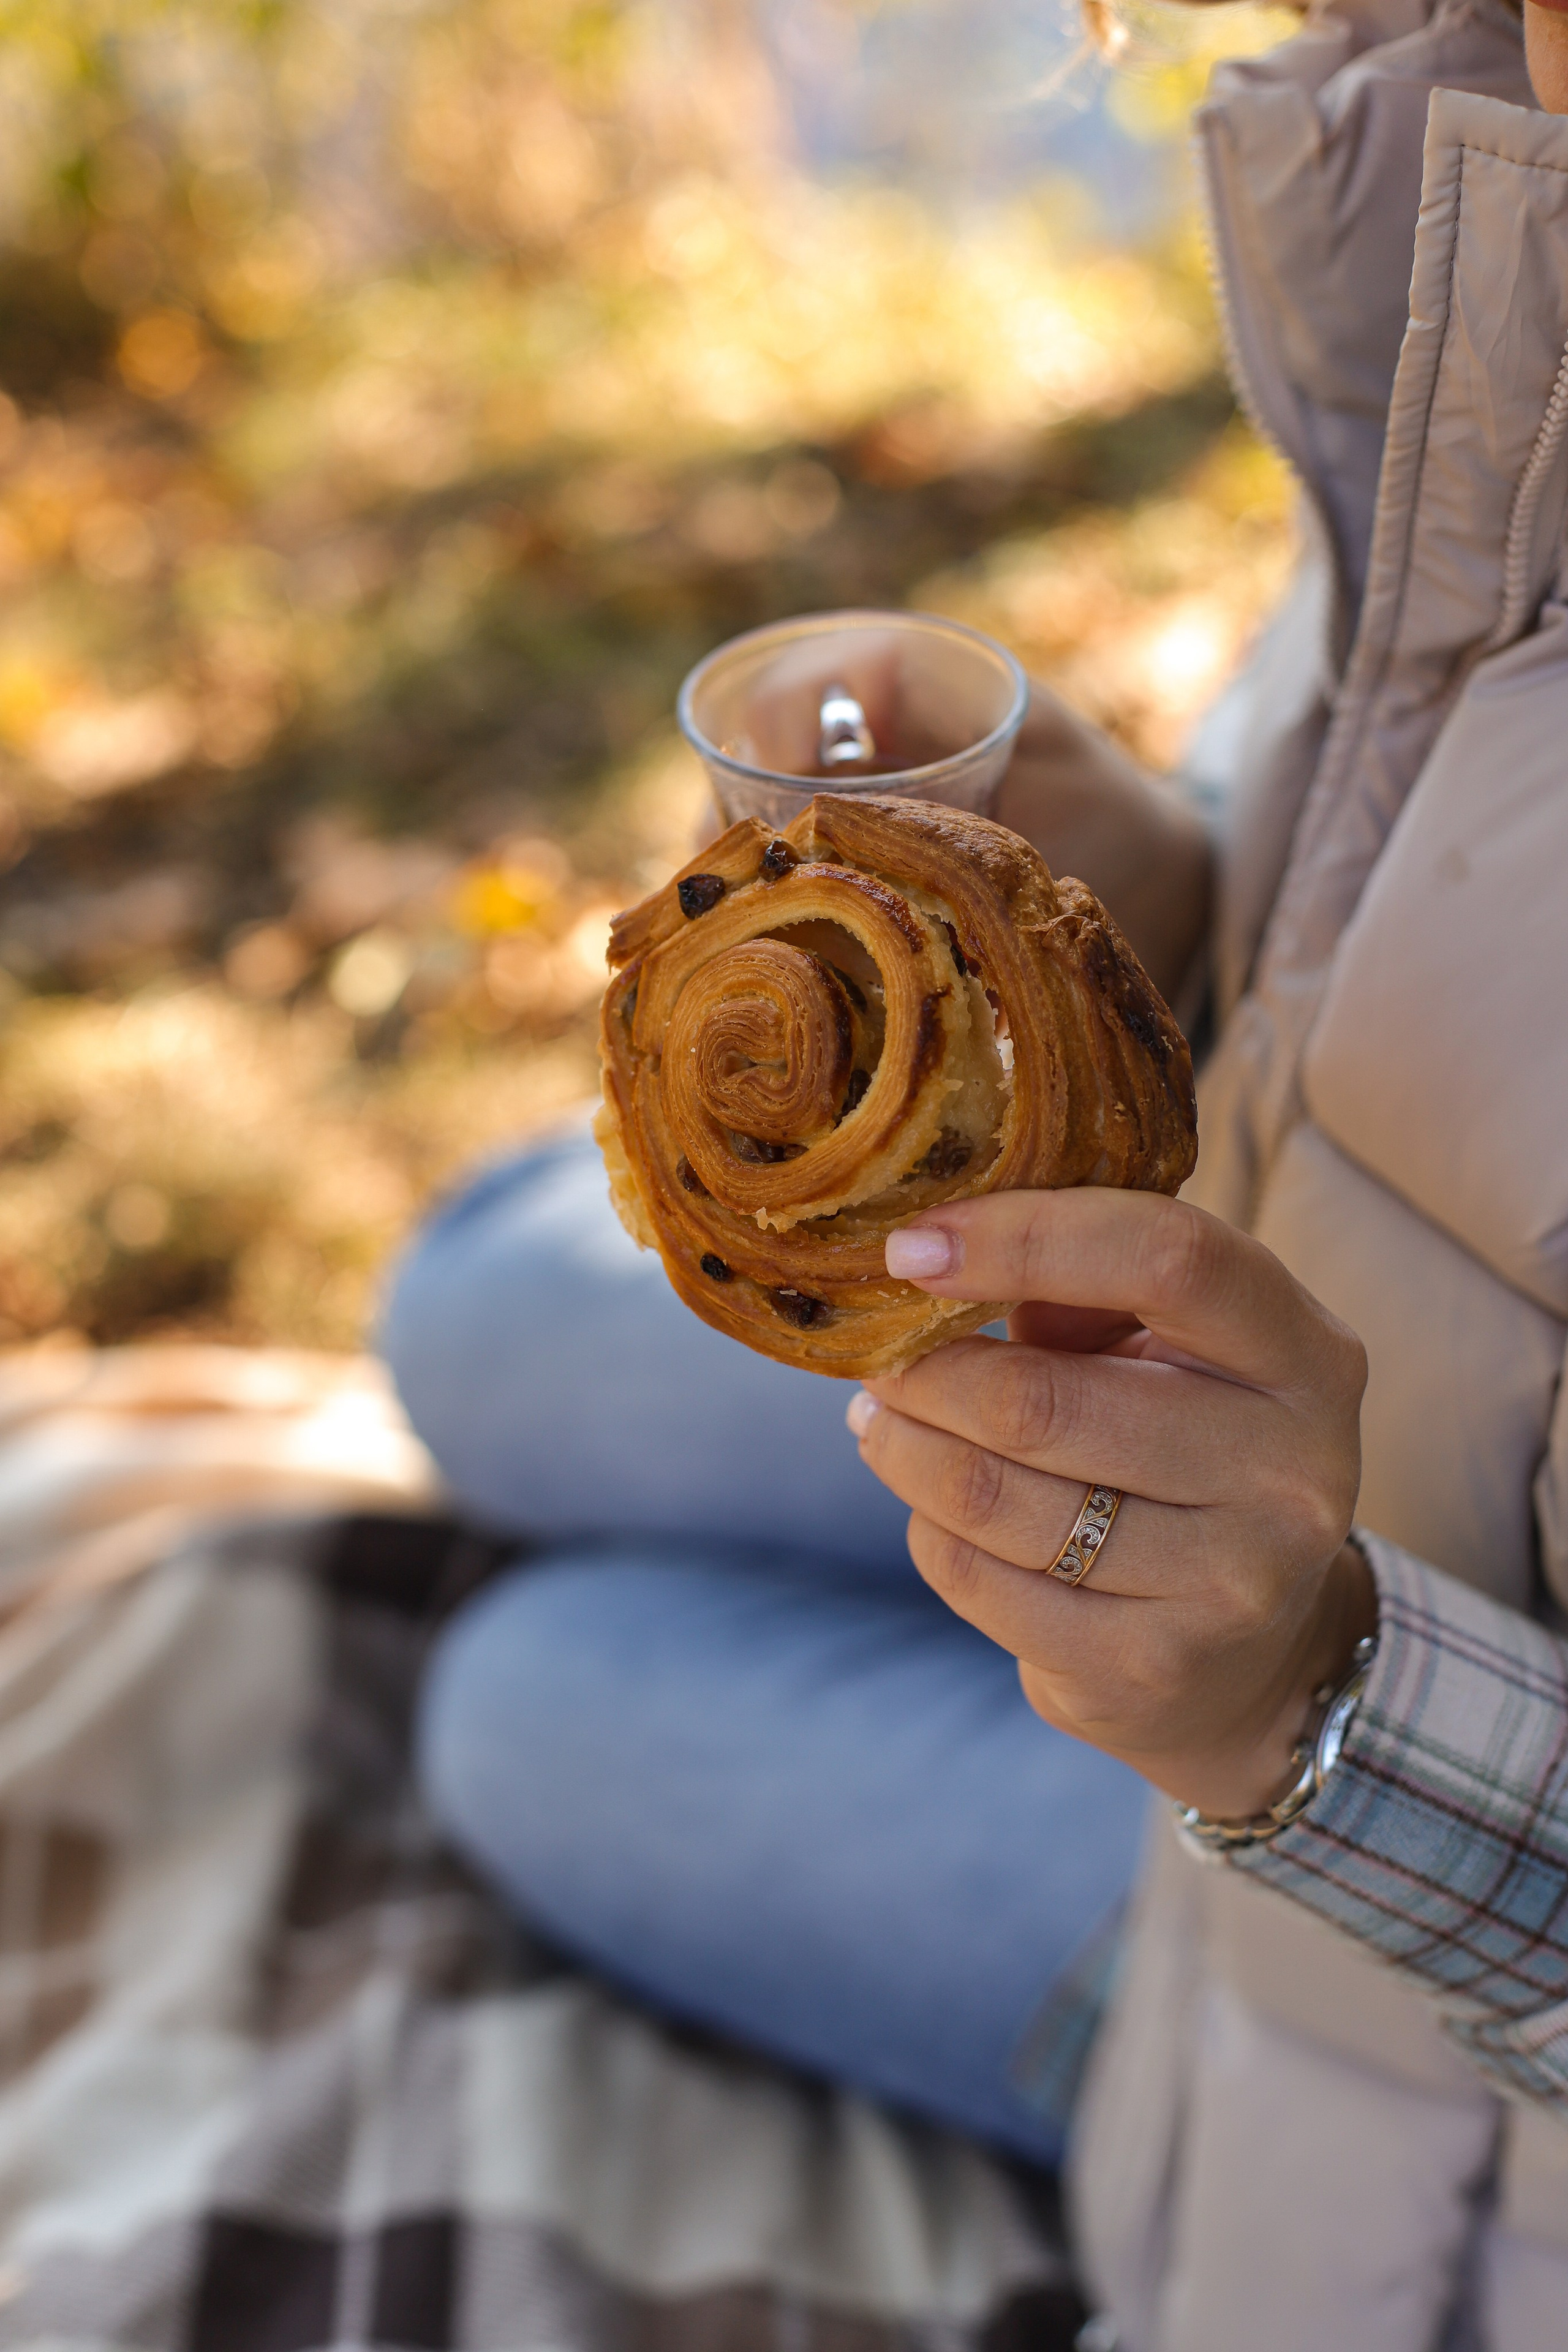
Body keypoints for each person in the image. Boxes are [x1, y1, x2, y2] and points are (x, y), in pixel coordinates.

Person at [387, 0, 1568, 2337]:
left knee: (523, 1705)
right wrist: (1145, 903)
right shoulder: (1484, 161)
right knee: (479, 1308)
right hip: (1304, 1380)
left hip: (1392, 2030)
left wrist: (1302, 1717)